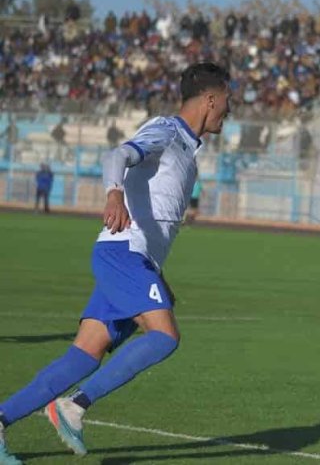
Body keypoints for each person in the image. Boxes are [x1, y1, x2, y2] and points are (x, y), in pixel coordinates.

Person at [0, 62, 231, 463]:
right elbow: (118, 155)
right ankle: (75, 405)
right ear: (210, 99)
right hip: (121, 254)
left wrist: (156, 273)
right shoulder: (167, 130)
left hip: (132, 260)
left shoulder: (189, 150)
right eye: (228, 100)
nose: (231, 109)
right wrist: (112, 194)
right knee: (164, 336)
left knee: (82, 356)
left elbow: (152, 216)